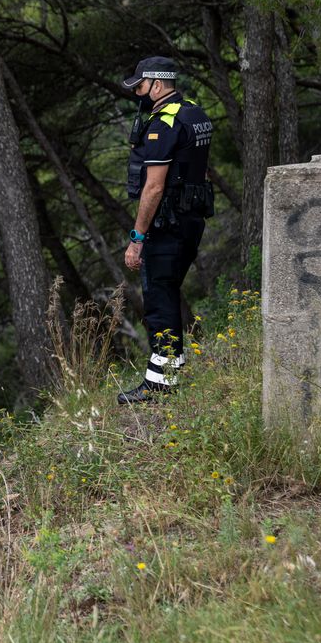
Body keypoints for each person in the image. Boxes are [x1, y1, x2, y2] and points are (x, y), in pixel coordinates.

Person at [117, 56, 215, 405]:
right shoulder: (194, 113)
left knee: (158, 298)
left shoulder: (164, 122)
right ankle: (171, 370)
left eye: (140, 87)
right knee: (168, 292)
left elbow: (154, 187)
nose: (138, 94)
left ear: (157, 85)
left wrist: (137, 238)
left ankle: (160, 384)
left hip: (167, 223)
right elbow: (200, 171)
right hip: (192, 220)